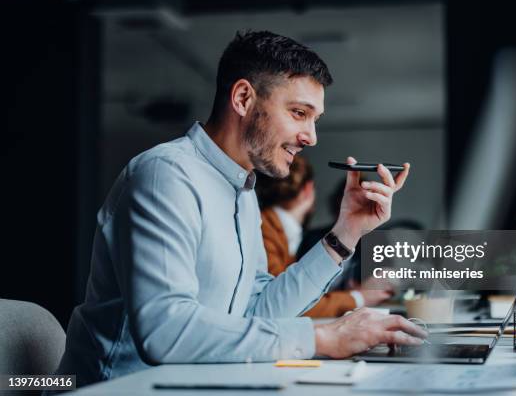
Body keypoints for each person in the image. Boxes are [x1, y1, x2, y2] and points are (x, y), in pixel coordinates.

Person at [55, 30, 425, 388]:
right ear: (244, 98)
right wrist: (323, 335)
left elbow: (259, 311)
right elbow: (165, 332)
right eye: (299, 113)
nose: (311, 136)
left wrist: (347, 231)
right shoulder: (165, 175)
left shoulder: (244, 192)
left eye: (316, 120)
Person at [256, 156, 393, 317]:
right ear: (308, 189)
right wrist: (357, 297)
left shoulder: (285, 233)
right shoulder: (265, 229)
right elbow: (285, 301)